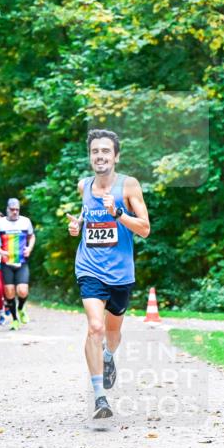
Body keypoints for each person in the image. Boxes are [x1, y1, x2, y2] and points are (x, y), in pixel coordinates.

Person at [67, 129, 150, 420]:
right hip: (89, 267)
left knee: (112, 333)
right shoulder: (84, 185)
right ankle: (100, 397)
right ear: (90, 156)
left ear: (116, 156)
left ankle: (108, 357)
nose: (100, 156)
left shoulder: (128, 186)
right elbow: (86, 214)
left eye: (105, 151)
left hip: (120, 273)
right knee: (95, 327)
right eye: (95, 151)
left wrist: (117, 214)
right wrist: (77, 226)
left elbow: (145, 228)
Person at [0, 198, 35, 330]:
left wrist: (29, 248)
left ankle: (21, 308)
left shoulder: (25, 221)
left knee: (22, 290)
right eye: (12, 209)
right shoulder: (0, 223)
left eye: (17, 209)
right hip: (6, 262)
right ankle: (15, 320)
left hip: (22, 261)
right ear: (7, 209)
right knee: (9, 293)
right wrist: (0, 251)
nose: (15, 212)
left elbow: (32, 236)